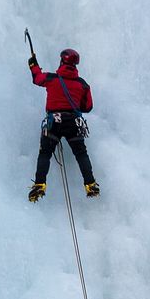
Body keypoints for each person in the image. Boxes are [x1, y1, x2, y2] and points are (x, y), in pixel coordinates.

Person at [27, 48, 99, 201]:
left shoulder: (52, 78)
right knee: (81, 154)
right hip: (74, 123)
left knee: (45, 153)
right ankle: (90, 184)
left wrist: (33, 64)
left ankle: (40, 184)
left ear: (62, 61)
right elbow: (87, 107)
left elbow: (37, 78)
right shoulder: (83, 84)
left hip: (54, 122)